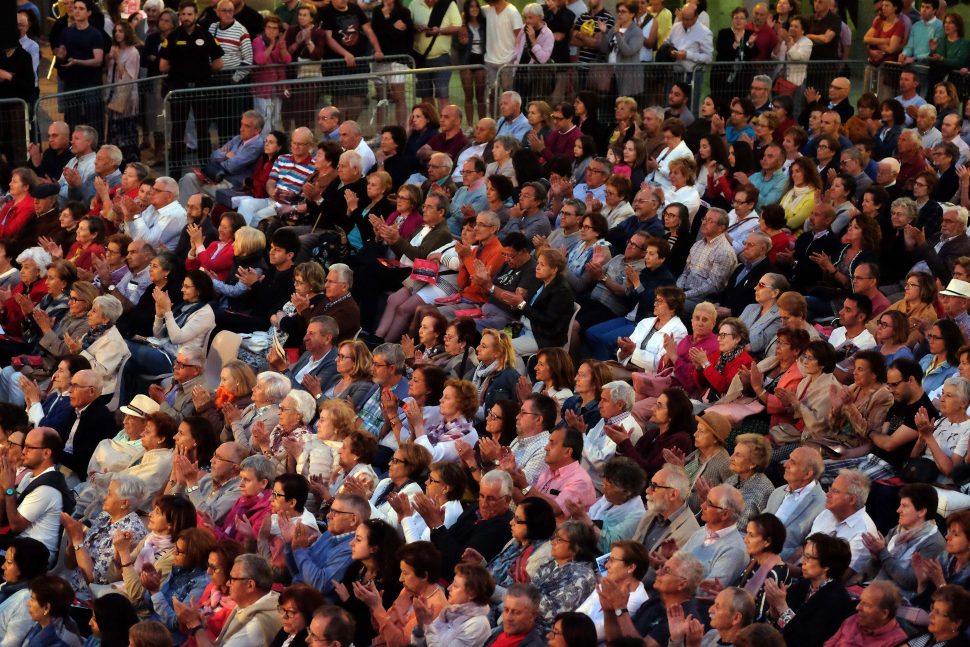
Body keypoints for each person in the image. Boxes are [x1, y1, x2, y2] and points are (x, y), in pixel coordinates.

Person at [764, 533, 854, 647]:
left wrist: (782, 606)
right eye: (803, 555)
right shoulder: (804, 585)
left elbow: (805, 640)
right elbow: (779, 625)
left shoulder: (836, 599)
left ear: (827, 565)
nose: (802, 561)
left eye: (808, 557)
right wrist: (774, 607)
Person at [175, 554, 282, 647]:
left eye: (233, 579)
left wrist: (195, 625)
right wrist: (202, 628)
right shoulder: (250, 603)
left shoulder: (257, 625)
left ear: (250, 585)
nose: (227, 583)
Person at [575, 540, 650, 641]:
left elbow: (597, 633)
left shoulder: (637, 599)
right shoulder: (610, 583)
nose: (606, 566)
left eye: (612, 560)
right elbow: (580, 612)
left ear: (631, 567)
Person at [411, 563, 493, 647]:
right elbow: (418, 644)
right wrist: (421, 626)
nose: (449, 588)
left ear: (472, 593)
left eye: (456, 586)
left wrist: (428, 623)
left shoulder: (478, 624)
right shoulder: (450, 611)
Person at [736, 513, 791, 623]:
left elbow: (761, 618)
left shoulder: (774, 573)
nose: (745, 540)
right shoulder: (755, 562)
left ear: (767, 542)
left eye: (751, 535)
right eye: (746, 533)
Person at [822, 580, 907, 647]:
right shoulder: (854, 619)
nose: (858, 607)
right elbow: (829, 643)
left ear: (884, 613)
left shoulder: (897, 642)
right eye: (861, 601)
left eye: (867, 604)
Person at [0, 537, 50, 647]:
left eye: (9, 562)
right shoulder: (9, 586)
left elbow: (10, 644)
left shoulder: (27, 600)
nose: (3, 566)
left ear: (24, 567)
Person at [21, 575, 81, 647]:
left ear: (46, 608)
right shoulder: (42, 624)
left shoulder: (59, 641)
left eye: (33, 599)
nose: (28, 604)